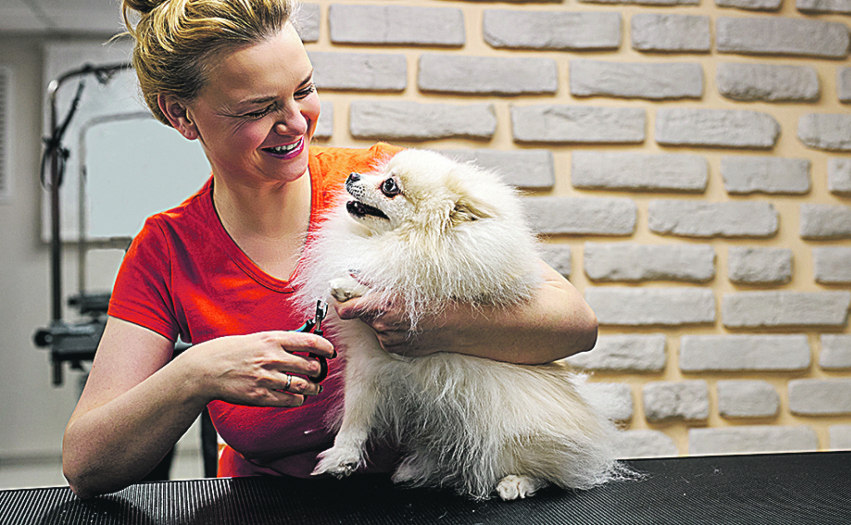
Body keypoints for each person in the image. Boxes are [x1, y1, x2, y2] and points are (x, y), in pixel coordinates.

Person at [62, 0, 599, 499]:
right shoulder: (167, 250)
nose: (295, 122)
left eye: (303, 90)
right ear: (181, 115)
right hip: (263, 507)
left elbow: (576, 325)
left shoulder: (383, 185)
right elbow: (87, 464)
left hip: (435, 497)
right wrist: (196, 372)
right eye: (258, 109)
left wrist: (435, 323)